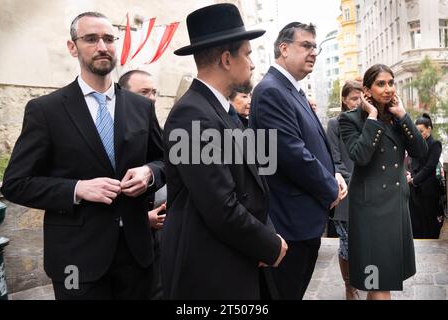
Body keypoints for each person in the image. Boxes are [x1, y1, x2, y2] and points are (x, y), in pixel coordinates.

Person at [1, 12, 165, 299]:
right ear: (72, 47)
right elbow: (16, 182)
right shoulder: (46, 110)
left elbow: (167, 161)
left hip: (137, 255)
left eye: (109, 39)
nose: (102, 46)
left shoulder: (141, 107)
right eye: (91, 39)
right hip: (76, 260)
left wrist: (149, 173)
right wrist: (77, 189)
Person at [161, 3, 287, 300]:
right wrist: (268, 245)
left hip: (236, 258)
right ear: (227, 59)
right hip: (210, 271)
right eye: (248, 53)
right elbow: (220, 206)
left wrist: (264, 239)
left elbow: (252, 186)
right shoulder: (191, 115)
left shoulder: (220, 110)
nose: (253, 63)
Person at [250, 22, 347, 300]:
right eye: (305, 45)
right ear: (283, 48)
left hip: (303, 219)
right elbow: (291, 153)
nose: (313, 52)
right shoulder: (271, 90)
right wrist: (330, 188)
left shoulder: (292, 89)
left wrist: (334, 174)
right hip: (289, 223)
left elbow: (313, 143)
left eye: (315, 47)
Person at [339, 64, 427, 300]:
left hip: (396, 205)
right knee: (379, 282)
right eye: (381, 84)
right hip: (370, 209)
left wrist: (404, 116)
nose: (388, 89)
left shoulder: (397, 117)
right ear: (366, 90)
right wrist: (373, 118)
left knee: (378, 281)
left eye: (391, 82)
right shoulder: (350, 120)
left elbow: (420, 150)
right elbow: (360, 156)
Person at [118, 71, 166, 299]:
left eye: (154, 92)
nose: (152, 97)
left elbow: (167, 161)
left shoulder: (150, 121)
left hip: (147, 245)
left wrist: (150, 172)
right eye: (144, 92)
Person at [326, 80, 362, 300]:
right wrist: (356, 182)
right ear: (344, 100)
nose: (357, 103)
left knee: (367, 244)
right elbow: (335, 161)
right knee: (347, 245)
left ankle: (366, 280)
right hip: (346, 193)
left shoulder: (371, 122)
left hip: (369, 197)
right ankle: (349, 286)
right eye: (353, 98)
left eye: (361, 98)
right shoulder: (335, 124)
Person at [408, 113, 444, 239]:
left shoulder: (435, 144)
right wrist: (410, 176)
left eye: (421, 131)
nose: (419, 134)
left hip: (429, 190)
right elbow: (412, 163)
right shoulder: (416, 145)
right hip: (415, 190)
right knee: (416, 223)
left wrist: (413, 180)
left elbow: (429, 167)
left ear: (428, 129)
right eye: (417, 132)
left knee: (430, 224)